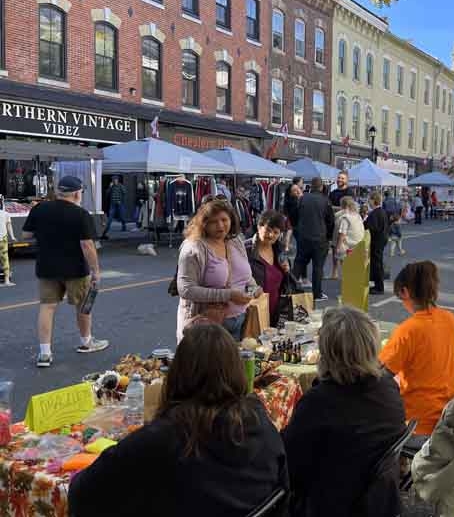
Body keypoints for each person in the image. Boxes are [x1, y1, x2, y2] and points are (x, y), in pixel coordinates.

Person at [69, 322, 288, 517]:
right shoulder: (258, 420)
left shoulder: (162, 438)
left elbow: (82, 493)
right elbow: (283, 488)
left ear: (178, 373)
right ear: (237, 372)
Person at [283, 306, 406, 517]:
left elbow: (289, 468)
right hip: (380, 501)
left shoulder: (319, 403)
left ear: (328, 353)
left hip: (335, 504)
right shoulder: (387, 386)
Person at [22, 176, 107, 368]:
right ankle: (86, 342)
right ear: (77, 193)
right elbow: (87, 245)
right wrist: (96, 271)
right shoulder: (80, 214)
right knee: (82, 306)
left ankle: (45, 354)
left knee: (47, 307)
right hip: (75, 269)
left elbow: (26, 234)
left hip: (46, 267)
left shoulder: (40, 209)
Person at [379, 261, 454, 438]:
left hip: (419, 422)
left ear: (405, 292)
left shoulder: (409, 329)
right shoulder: (451, 319)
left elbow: (379, 375)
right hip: (451, 415)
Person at [176, 199, 261, 342]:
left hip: (239, 320)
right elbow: (186, 289)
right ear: (204, 224)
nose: (220, 225)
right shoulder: (193, 248)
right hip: (206, 325)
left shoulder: (236, 241)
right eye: (214, 221)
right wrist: (228, 295)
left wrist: (254, 287)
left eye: (224, 219)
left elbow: (245, 275)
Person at [247, 210, 296, 327]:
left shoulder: (279, 250)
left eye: (276, 232)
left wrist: (287, 271)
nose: (271, 235)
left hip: (277, 309)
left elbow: (286, 281)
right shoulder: (246, 250)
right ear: (259, 226)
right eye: (268, 230)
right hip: (254, 309)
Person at [293, 177, 334, 301]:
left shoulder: (302, 198)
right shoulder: (325, 201)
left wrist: (298, 230)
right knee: (318, 267)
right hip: (320, 238)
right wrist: (329, 237)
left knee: (299, 263)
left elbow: (295, 215)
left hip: (304, 236)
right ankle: (317, 293)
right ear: (321, 187)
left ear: (311, 186)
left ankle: (289, 288)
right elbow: (330, 221)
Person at [365, 192, 388, 295]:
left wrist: (365, 224)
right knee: (377, 263)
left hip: (376, 241)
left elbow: (371, 227)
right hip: (381, 240)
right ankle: (378, 285)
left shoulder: (375, 213)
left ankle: (379, 287)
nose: (368, 202)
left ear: (373, 200)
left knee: (376, 264)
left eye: (369, 199)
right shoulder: (382, 211)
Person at [333, 197, 365, 268]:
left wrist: (337, 247)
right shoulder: (357, 215)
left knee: (340, 250)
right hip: (359, 243)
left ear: (342, 205)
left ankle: (344, 274)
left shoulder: (345, 217)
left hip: (349, 245)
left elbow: (342, 234)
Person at [0, 196, 16, 286]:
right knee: (5, 259)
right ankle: (7, 281)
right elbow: (9, 226)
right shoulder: (6, 214)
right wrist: (12, 236)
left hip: (3, 238)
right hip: (3, 239)